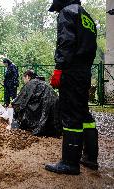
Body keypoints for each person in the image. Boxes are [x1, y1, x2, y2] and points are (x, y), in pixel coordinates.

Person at [45, 0, 99, 175]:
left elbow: (66, 42)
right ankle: (90, 157)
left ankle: (69, 163)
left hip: (72, 70)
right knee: (83, 112)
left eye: (56, 8)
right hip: (85, 71)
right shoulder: (86, 16)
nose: (56, 12)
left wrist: (59, 68)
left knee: (70, 114)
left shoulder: (67, 12)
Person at [11, 70, 61, 136]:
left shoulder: (31, 83)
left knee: (20, 108)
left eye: (24, 79)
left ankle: (27, 126)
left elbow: (20, 100)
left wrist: (12, 104)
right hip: (54, 107)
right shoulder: (43, 83)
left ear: (27, 77)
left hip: (45, 105)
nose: (24, 81)